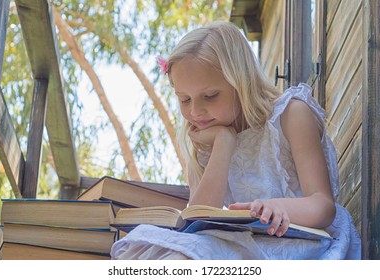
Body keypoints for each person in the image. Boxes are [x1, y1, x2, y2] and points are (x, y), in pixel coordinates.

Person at [110, 21, 361, 260]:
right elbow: (197, 219)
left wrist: (277, 208)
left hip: (302, 244)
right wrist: (223, 141)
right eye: (184, 99)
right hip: (241, 244)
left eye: (210, 96)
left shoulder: (290, 115)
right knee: (161, 253)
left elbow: (323, 205)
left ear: (241, 82)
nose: (195, 111)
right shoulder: (206, 140)